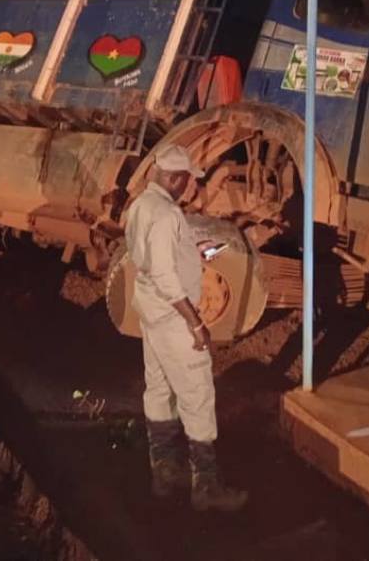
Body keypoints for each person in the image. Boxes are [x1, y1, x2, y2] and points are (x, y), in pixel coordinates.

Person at [125, 145, 247, 512]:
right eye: (187, 180)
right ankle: (206, 489)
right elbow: (165, 273)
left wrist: (201, 251)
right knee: (197, 398)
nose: (189, 187)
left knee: (159, 389)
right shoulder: (166, 215)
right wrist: (195, 324)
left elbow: (150, 258)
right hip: (175, 320)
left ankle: (164, 472)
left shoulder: (140, 207)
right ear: (174, 178)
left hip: (151, 312)